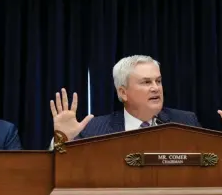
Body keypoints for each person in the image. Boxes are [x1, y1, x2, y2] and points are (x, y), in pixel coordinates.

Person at [49, 55, 201, 147]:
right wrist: (63, 140)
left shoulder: (185, 122)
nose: (156, 88)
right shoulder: (93, 131)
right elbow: (66, 172)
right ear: (123, 92)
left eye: (158, 81)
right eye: (146, 82)